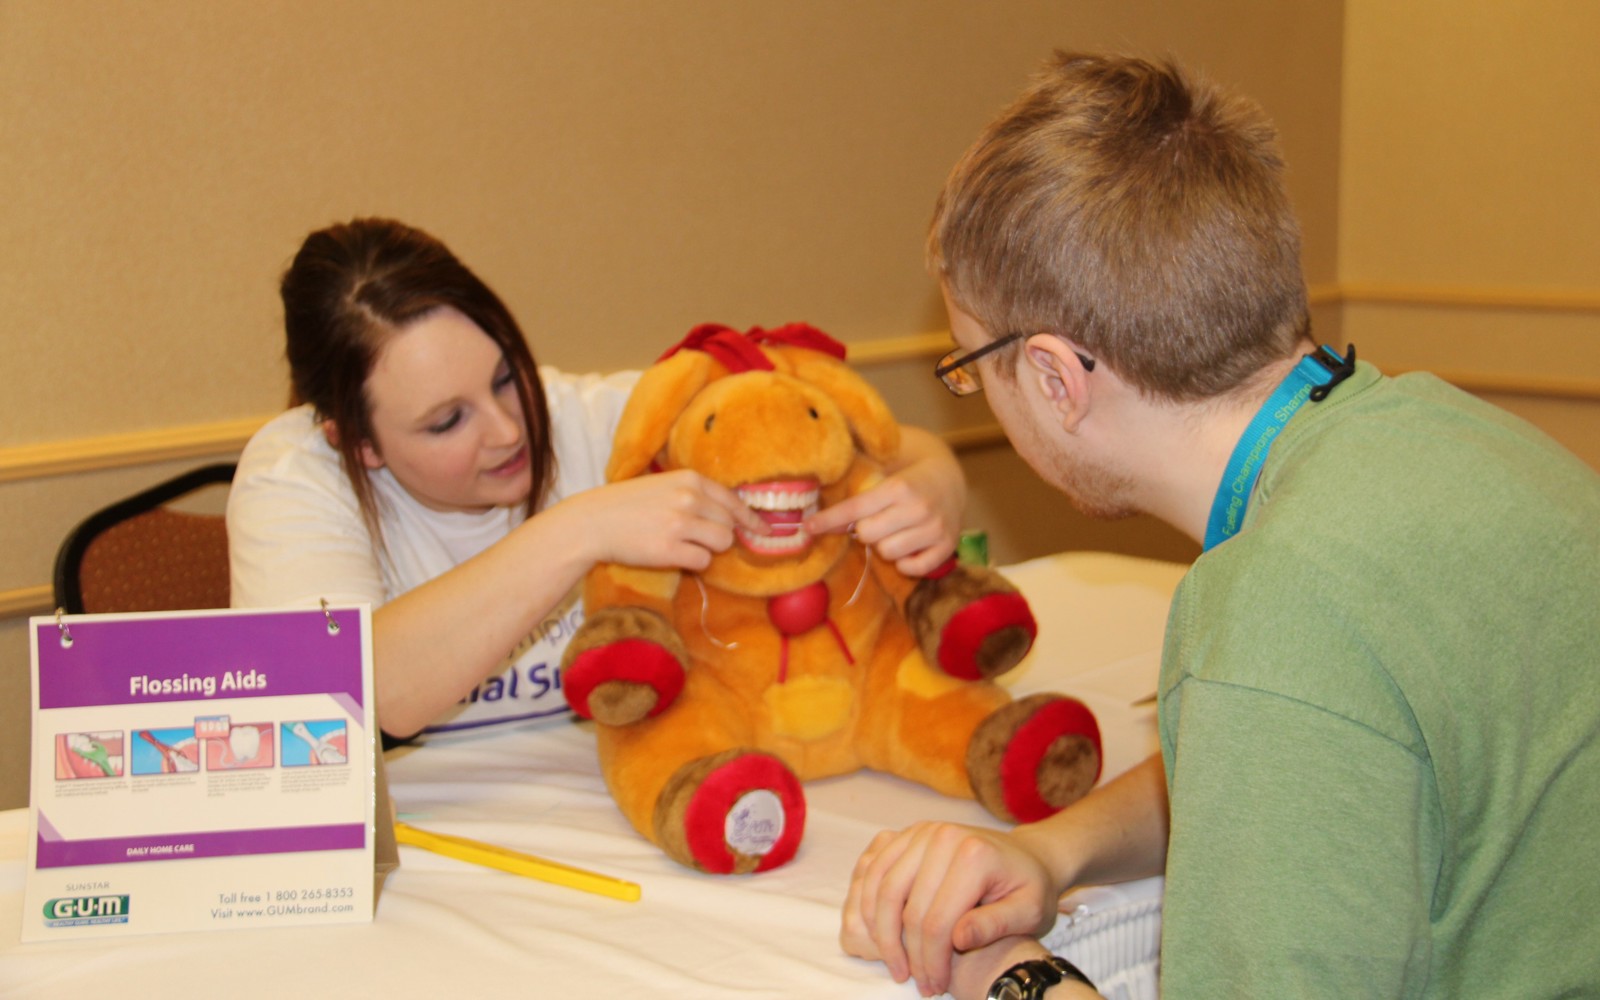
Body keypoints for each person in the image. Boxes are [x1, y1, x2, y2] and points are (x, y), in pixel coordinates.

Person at [841, 52, 1600, 1000]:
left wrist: (1017, 979)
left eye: (970, 366)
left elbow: (1279, 701)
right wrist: (1050, 850)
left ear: (1053, 379)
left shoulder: (1275, 616)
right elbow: (1315, 763)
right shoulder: (1453, 431)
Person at [227, 217, 967, 741]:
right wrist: (583, 527)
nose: (510, 430)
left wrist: (937, 483)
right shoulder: (292, 478)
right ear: (359, 445)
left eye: (504, 376)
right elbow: (359, 694)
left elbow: (896, 449)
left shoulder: (597, 416)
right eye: (447, 422)